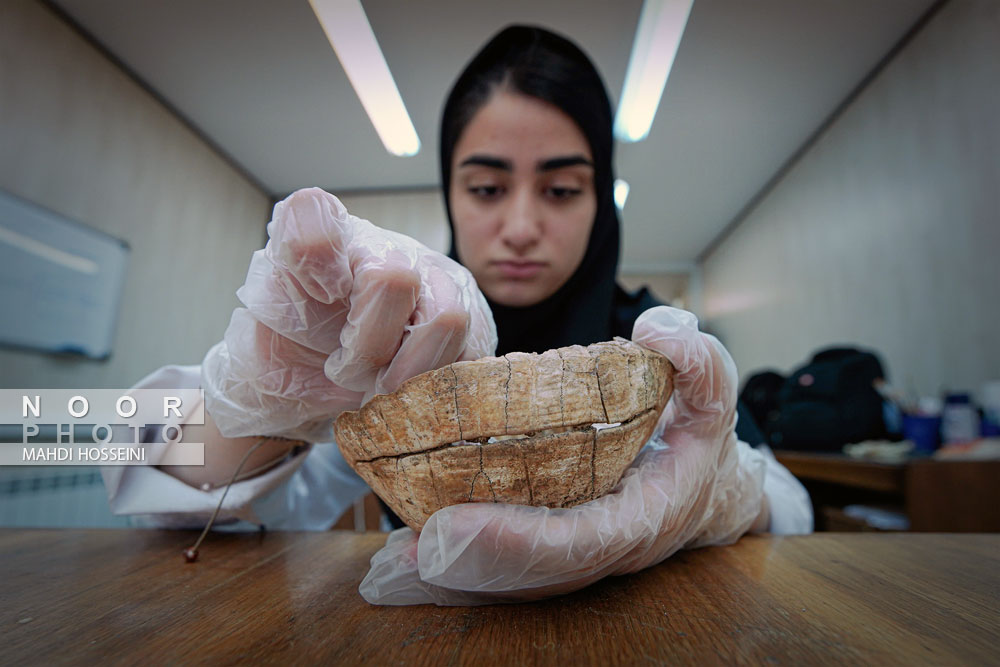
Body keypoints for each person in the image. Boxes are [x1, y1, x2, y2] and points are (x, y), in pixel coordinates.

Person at [102, 25, 811, 605]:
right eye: (486, 186)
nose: (523, 224)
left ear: (601, 203)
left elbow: (794, 506)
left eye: (562, 188)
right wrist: (261, 401)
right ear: (451, 193)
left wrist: (721, 495)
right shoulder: (395, 340)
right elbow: (142, 469)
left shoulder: (662, 344)